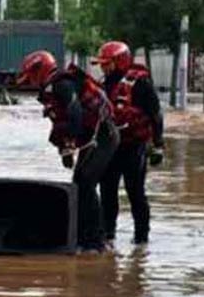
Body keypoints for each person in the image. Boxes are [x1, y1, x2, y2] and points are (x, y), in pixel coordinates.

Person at [17, 50, 120, 253]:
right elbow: (64, 121)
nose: (30, 81)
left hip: (103, 136)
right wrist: (65, 147)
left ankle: (96, 242)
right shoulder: (54, 86)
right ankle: (84, 238)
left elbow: (75, 112)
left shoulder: (61, 84)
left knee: (86, 183)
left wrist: (70, 142)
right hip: (94, 137)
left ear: (40, 70)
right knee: (79, 183)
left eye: (31, 76)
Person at [93, 41, 164, 245]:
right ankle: (108, 236)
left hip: (133, 147)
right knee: (107, 192)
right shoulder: (102, 85)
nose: (103, 68)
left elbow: (155, 115)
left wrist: (158, 145)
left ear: (120, 62)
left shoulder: (140, 84)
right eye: (102, 64)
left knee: (136, 193)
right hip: (109, 147)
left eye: (107, 63)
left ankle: (141, 240)